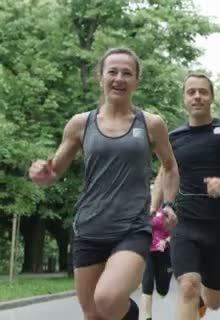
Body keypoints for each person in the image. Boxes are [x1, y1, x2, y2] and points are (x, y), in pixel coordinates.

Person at [29, 47, 179, 320]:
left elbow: (169, 167)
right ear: (101, 77)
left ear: (136, 81)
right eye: (112, 71)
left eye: (127, 73)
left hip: (132, 228)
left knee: (108, 300)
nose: (119, 78)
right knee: (92, 313)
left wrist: (167, 204)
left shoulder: (151, 124)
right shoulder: (80, 124)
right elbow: (53, 174)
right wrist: (41, 174)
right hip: (89, 227)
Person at [151, 72, 220, 319]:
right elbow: (163, 174)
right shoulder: (173, 138)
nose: (197, 96)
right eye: (191, 92)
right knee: (188, 286)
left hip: (219, 226)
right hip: (184, 223)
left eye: (203, 92)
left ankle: (201, 302)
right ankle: (192, 299)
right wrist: (152, 210)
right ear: (184, 99)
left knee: (214, 300)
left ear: (211, 97)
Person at [140, 205, 173, 320]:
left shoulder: (170, 207)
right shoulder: (145, 207)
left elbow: (178, 230)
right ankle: (147, 317)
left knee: (162, 289)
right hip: (148, 250)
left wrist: (166, 241)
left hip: (165, 252)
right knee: (147, 282)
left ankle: (163, 288)